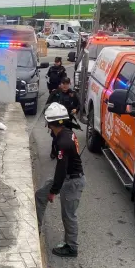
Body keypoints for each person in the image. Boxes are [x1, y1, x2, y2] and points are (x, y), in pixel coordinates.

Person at [35, 103, 85, 258]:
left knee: (69, 215)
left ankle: (71, 247)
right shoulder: (66, 133)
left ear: (51, 123)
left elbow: (61, 170)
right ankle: (36, 229)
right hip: (67, 177)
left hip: (72, 181)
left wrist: (53, 191)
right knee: (39, 195)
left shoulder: (63, 142)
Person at [46, 78, 80, 159]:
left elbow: (78, 104)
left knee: (67, 137)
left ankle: (65, 153)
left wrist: (76, 109)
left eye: (67, 84)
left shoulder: (73, 94)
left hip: (68, 120)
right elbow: (47, 104)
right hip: (56, 120)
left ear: (69, 84)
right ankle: (54, 151)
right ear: (60, 84)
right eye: (63, 84)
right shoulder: (55, 93)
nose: (65, 86)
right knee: (56, 137)